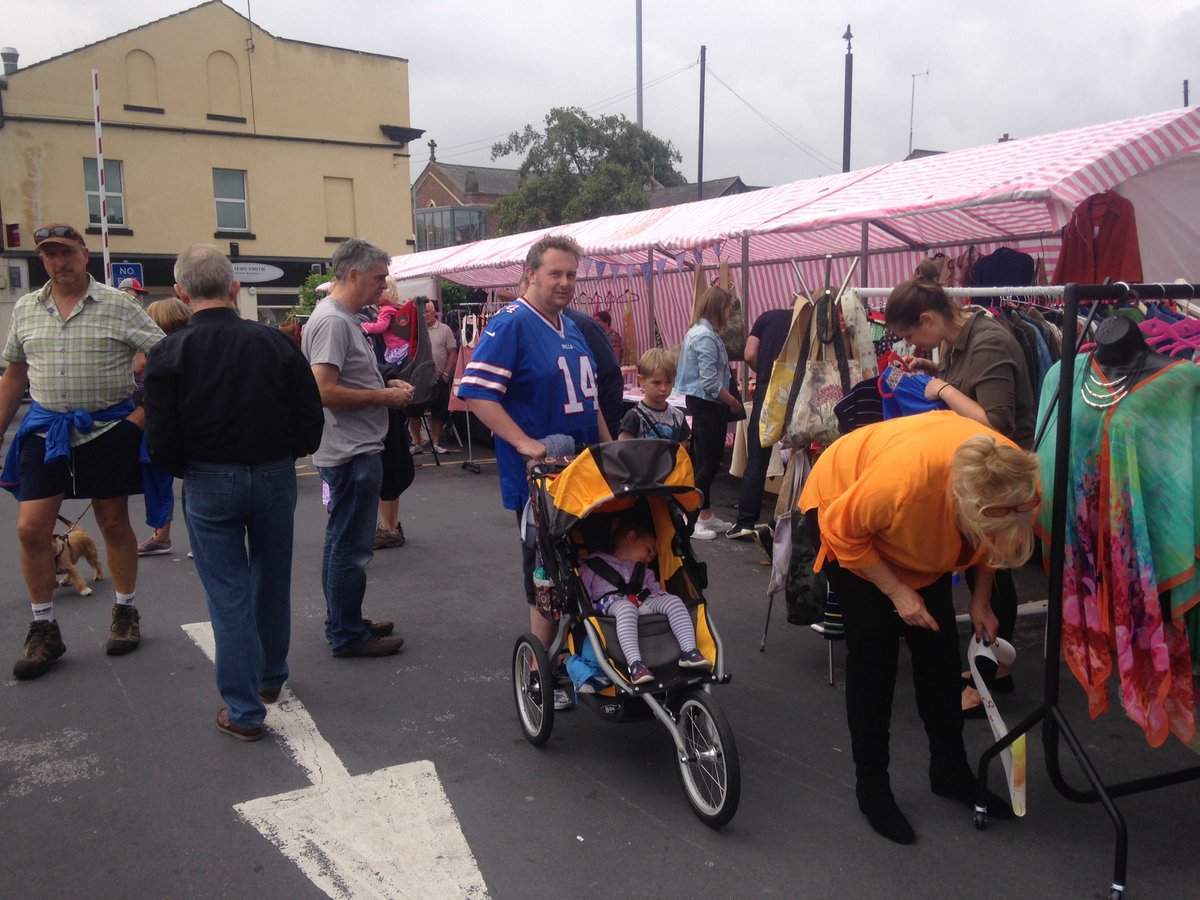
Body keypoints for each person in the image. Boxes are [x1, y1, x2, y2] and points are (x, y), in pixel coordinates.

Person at [798, 411, 1040, 844]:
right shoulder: (905, 485)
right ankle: (871, 786)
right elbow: (845, 532)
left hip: (919, 522)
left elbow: (994, 537)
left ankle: (949, 769)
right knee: (875, 660)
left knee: (939, 655)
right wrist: (896, 592)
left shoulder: (1018, 479)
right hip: (847, 510)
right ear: (966, 506)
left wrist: (982, 599)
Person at [143, 245, 325, 741]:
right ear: (235, 287)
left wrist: (187, 468)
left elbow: (160, 437)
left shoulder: (168, 352)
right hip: (272, 473)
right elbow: (309, 414)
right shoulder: (274, 343)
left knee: (228, 592)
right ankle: (270, 678)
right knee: (271, 577)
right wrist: (291, 452)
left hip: (208, 477)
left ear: (181, 293)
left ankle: (244, 711)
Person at [0, 222, 165, 679]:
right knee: (31, 529)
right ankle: (44, 629)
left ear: (84, 253)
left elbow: (166, 358)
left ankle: (126, 613)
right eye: (49, 254)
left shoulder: (118, 304)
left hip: (107, 430)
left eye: (66, 252)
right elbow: (14, 375)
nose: (58, 261)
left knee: (114, 522)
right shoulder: (26, 308)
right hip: (45, 430)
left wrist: (141, 415)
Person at [457, 234, 610, 707]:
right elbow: (476, 392)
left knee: (591, 563)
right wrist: (525, 443)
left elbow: (589, 400)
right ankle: (539, 670)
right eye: (555, 273)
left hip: (585, 471)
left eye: (571, 274)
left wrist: (611, 450)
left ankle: (586, 656)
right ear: (530, 274)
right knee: (548, 570)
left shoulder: (571, 326)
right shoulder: (511, 325)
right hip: (544, 480)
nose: (565, 282)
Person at [884, 260, 1036, 714]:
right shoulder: (958, 337)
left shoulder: (988, 342)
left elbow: (1000, 425)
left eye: (911, 336)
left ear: (927, 319)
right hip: (981, 471)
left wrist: (942, 391)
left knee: (992, 569)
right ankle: (991, 667)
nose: (911, 343)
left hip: (1001, 475)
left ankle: (990, 674)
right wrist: (935, 371)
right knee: (983, 566)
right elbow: (971, 391)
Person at [301, 238, 413, 658]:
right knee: (350, 547)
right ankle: (347, 634)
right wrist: (385, 397)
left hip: (353, 448)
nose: (382, 288)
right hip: (351, 452)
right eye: (378, 279)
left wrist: (384, 384)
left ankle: (345, 622)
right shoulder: (333, 320)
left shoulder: (341, 317)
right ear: (352, 274)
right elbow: (324, 391)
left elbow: (342, 381)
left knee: (343, 544)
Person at [580, 516, 712, 684]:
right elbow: (583, 589)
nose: (650, 559)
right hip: (612, 605)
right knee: (626, 608)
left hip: (643, 600)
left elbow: (656, 591)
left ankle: (689, 652)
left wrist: (663, 599)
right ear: (631, 537)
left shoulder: (645, 573)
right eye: (649, 550)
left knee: (674, 601)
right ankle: (635, 664)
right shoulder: (593, 563)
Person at [675, 285, 743, 540]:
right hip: (708, 404)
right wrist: (732, 402)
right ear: (720, 308)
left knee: (706, 460)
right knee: (710, 462)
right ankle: (691, 518)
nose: (729, 313)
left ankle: (704, 514)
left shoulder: (702, 332)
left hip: (704, 403)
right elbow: (711, 382)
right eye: (728, 307)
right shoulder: (705, 336)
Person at [727, 306, 793, 541]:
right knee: (801, 456)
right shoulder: (813, 321)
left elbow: (749, 354)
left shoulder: (767, 317)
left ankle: (745, 522)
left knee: (757, 457)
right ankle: (794, 522)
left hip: (768, 389)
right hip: (801, 391)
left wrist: (764, 370)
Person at [136, 298, 193, 556]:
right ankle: (168, 535)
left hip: (165, 423)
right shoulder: (187, 343)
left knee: (165, 480)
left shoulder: (162, 350)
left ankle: (163, 534)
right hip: (182, 424)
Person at [407, 296, 459, 454]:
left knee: (438, 411)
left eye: (427, 312)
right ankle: (416, 442)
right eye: (422, 312)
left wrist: (446, 373)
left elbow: (453, 352)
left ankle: (436, 443)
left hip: (438, 378)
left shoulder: (444, 329)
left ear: (434, 313)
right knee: (414, 411)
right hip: (417, 380)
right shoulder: (414, 330)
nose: (424, 315)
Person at [618, 348, 690, 443]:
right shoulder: (634, 418)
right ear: (642, 381)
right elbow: (622, 452)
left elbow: (682, 453)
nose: (663, 388)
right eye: (657, 383)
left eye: (668, 382)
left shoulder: (678, 416)